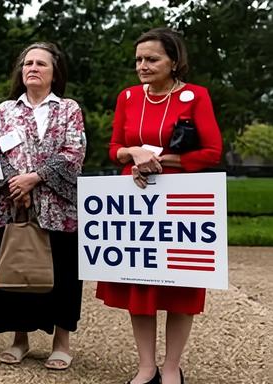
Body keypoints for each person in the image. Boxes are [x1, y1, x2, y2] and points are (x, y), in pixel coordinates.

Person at [97, 28, 222, 384]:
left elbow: (211, 151)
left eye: (152, 59)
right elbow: (114, 147)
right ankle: (146, 366)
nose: (143, 66)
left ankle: (171, 368)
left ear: (173, 61)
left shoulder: (196, 96)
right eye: (138, 59)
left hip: (180, 198)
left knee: (181, 283)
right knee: (141, 283)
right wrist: (132, 153)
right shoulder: (128, 97)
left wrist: (164, 161)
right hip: (135, 199)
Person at [0, 42, 86, 371]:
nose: (33, 68)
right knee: (18, 268)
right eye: (27, 63)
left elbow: (74, 151)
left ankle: (61, 343)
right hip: (13, 206)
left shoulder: (68, 109)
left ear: (55, 73)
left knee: (64, 274)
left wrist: (35, 178)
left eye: (41, 63)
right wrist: (16, 185)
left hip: (59, 208)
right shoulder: (5, 110)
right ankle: (19, 338)